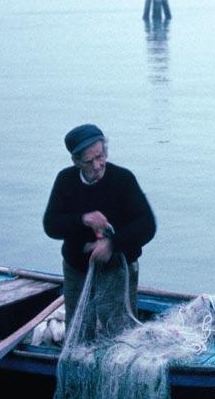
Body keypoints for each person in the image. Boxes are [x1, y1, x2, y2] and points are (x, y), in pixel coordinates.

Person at [43, 124, 156, 334]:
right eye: (90, 161)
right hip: (77, 270)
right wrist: (83, 219)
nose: (98, 165)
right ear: (76, 161)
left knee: (117, 332)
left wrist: (112, 245)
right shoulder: (65, 181)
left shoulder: (123, 180)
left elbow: (147, 225)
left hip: (118, 272)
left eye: (101, 156)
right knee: (79, 329)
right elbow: (51, 225)